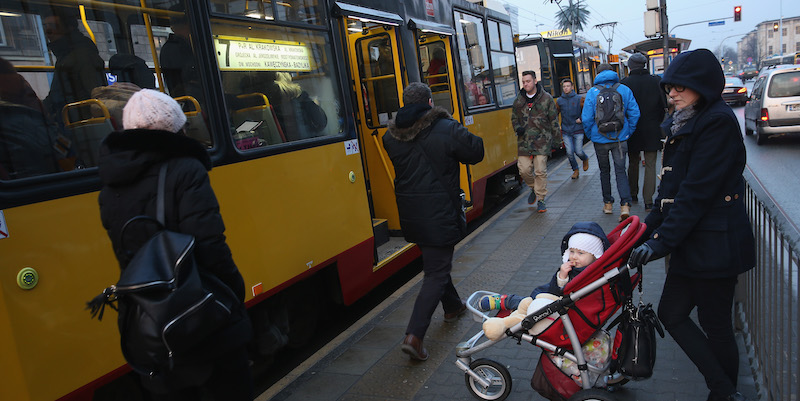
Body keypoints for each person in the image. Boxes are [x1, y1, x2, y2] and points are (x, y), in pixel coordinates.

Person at [97, 89, 253, 400]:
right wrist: (234, 294)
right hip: (197, 312)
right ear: (176, 127)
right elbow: (210, 245)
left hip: (150, 319)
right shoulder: (186, 170)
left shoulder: (109, 184)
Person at [627, 49, 756, 401]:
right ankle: (724, 389)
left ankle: (723, 393)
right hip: (694, 243)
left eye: (681, 87)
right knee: (673, 313)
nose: (672, 94)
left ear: (703, 85)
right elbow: (672, 191)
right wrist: (643, 229)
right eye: (669, 88)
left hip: (715, 245)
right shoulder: (688, 120)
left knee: (715, 326)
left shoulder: (715, 122)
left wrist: (658, 242)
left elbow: (696, 194)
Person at [383, 82, 484, 361]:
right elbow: (476, 151)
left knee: (435, 262)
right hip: (439, 212)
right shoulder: (445, 128)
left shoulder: (390, 137)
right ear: (429, 102)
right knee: (436, 273)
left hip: (412, 214)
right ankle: (414, 336)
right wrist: (450, 125)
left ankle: (452, 307)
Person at [477, 221, 609, 311]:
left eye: (581, 253)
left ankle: (506, 301)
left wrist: (563, 279)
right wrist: (561, 276)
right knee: (530, 300)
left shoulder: (589, 275)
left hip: (555, 305)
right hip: (550, 298)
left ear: (595, 255)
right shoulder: (576, 269)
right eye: (572, 251)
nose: (574, 256)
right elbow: (554, 288)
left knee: (526, 304)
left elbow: (561, 292)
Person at [581, 63, 640, 222]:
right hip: (620, 138)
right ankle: (625, 205)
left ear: (598, 74)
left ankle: (607, 204)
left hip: (599, 139)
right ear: (613, 73)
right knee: (620, 170)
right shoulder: (624, 89)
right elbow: (635, 113)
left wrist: (592, 134)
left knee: (604, 171)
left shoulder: (592, 93)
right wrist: (628, 131)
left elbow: (586, 119)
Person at [620, 53, 667, 212]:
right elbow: (663, 105)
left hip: (632, 130)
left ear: (630, 66)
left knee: (632, 162)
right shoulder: (656, 81)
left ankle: (633, 194)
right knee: (651, 165)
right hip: (652, 128)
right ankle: (648, 200)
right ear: (645, 65)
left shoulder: (625, 83)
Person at [41, 8, 106, 121]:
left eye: (53, 26)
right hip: (68, 116)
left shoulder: (82, 56)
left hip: (78, 121)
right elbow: (57, 94)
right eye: (45, 26)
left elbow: (94, 92)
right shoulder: (64, 55)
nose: (48, 31)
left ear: (69, 28)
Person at [511, 70, 560, 213]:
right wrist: (517, 128)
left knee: (540, 171)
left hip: (542, 140)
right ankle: (533, 187)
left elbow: (554, 120)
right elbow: (514, 118)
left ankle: (541, 199)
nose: (526, 84)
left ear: (535, 81)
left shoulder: (546, 98)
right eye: (524, 82)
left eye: (528, 81)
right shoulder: (519, 100)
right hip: (524, 141)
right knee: (524, 170)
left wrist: (557, 140)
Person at [160, 8, 204, 105]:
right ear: (189, 25)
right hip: (193, 99)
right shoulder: (179, 47)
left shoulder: (169, 47)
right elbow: (190, 74)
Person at [556, 78, 589, 180]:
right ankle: (575, 170)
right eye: (564, 86)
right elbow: (555, 113)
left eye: (568, 86)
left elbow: (587, 112)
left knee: (578, 151)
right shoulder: (559, 101)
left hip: (577, 129)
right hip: (566, 130)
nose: (566, 88)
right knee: (569, 152)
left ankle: (585, 158)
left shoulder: (579, 99)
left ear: (572, 87)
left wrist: (581, 119)